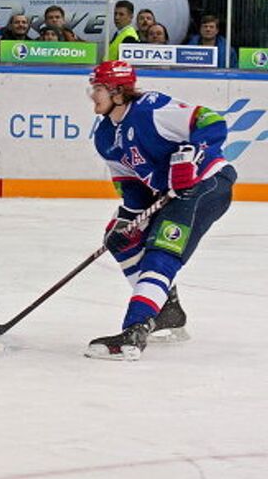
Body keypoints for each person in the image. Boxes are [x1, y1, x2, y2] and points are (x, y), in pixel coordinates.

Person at [86, 61, 237, 360]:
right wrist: (126, 223)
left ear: (118, 93)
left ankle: (135, 329)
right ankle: (167, 310)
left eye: (98, 88)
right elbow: (132, 188)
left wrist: (191, 155)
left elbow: (210, 121)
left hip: (206, 183)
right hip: (170, 193)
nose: (93, 95)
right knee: (119, 236)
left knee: (162, 249)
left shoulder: (150, 109)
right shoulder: (105, 137)